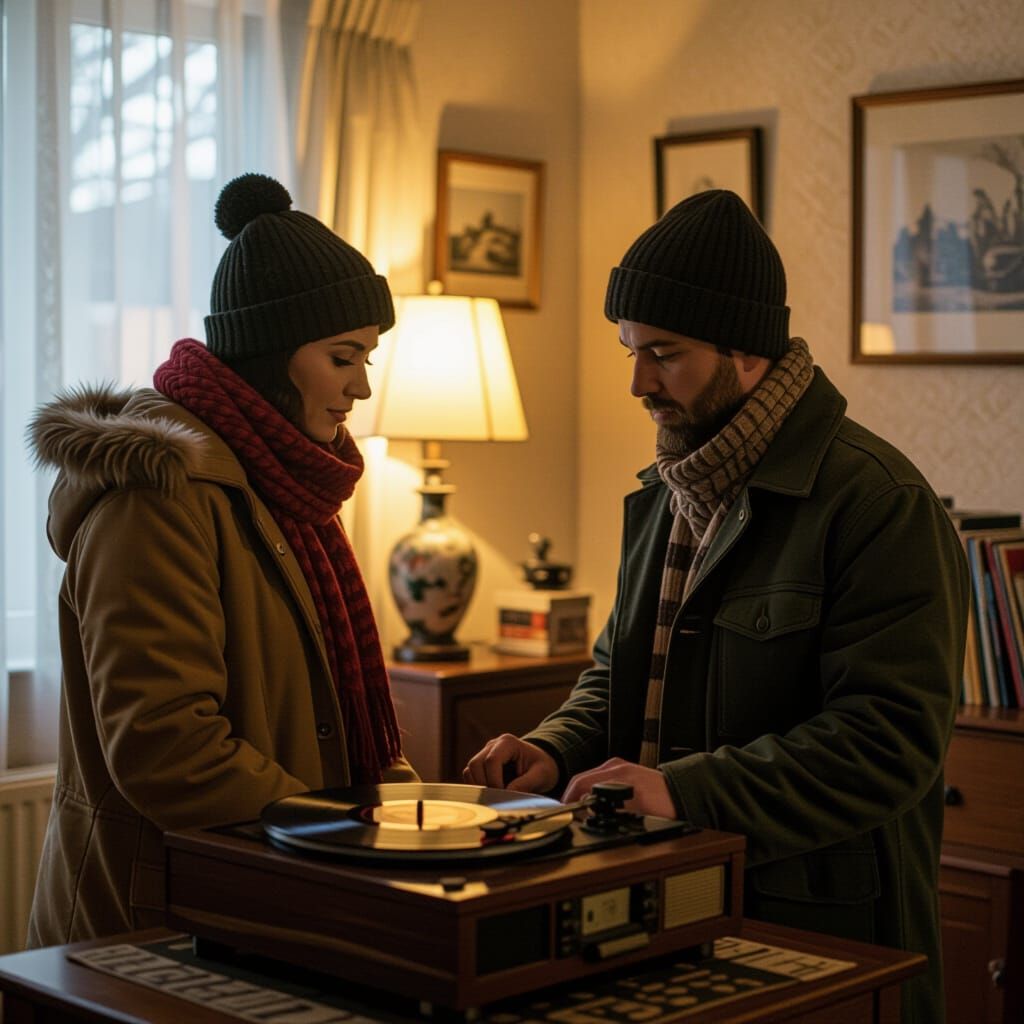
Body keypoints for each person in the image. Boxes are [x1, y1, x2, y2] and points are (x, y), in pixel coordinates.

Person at [465, 190, 969, 1023]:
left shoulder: (877, 502)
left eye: (664, 354)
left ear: (748, 353)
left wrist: (683, 793)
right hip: (667, 916)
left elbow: (889, 741)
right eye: (630, 350)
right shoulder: (666, 492)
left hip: (823, 941)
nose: (638, 381)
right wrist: (552, 749)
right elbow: (619, 672)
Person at [26, 172, 417, 947]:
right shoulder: (159, 495)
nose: (361, 387)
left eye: (367, 358)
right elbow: (167, 744)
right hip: (154, 926)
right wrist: (337, 832)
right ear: (273, 353)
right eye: (344, 357)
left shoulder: (272, 480)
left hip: (246, 895)